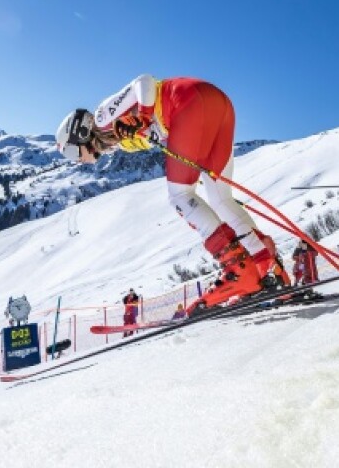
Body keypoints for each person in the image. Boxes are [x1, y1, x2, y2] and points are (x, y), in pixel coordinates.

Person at [56, 74, 288, 311]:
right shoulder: (119, 138)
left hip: (187, 103)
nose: (78, 162)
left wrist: (144, 117)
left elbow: (143, 82)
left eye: (74, 154)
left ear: (81, 134)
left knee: (180, 196)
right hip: (216, 104)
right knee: (220, 198)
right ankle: (267, 266)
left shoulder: (103, 118)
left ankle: (239, 272)